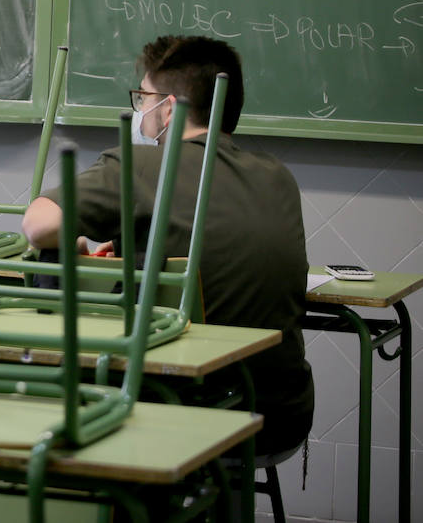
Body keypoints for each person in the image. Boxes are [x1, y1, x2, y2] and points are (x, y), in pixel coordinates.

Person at [21, 35, 313, 457]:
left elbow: (37, 225)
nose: (141, 110)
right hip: (277, 414)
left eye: (143, 98)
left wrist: (81, 242)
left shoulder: (142, 164)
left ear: (169, 107)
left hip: (177, 413)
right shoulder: (278, 176)